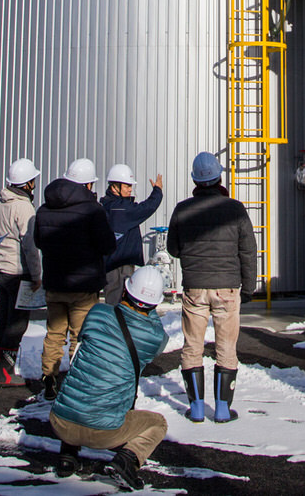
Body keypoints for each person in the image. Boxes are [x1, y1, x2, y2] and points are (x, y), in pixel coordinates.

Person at [48, 265, 170, 491]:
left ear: (125, 291)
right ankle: (127, 460)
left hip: (60, 421)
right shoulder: (154, 337)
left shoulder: (98, 312)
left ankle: (68, 455)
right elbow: (159, 338)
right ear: (155, 304)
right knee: (158, 424)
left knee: (84, 380)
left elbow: (85, 336)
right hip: (104, 433)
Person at [168, 150, 256, 423]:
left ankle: (195, 408)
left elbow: (173, 249)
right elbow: (248, 251)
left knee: (192, 346)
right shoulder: (235, 208)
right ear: (219, 177)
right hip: (227, 288)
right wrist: (249, 288)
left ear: (195, 180)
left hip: (195, 287)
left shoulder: (182, 210)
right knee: (226, 347)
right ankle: (221, 408)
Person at [33, 157, 117, 401]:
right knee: (80, 335)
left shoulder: (44, 209)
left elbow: (39, 241)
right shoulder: (93, 211)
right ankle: (75, 382)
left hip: (55, 282)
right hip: (83, 285)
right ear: (88, 185)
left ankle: (49, 379)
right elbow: (107, 245)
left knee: (54, 333)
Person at [0, 156, 42, 387]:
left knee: (2, 318)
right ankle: (6, 373)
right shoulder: (24, 207)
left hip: (0, 269)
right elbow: (30, 245)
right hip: (18, 272)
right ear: (27, 183)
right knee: (17, 323)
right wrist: (38, 274)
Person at [100, 163, 165, 304]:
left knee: (117, 300)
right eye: (127, 186)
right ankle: (117, 325)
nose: (131, 189)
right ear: (114, 187)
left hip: (113, 263)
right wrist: (157, 191)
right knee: (118, 302)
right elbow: (146, 207)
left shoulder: (107, 205)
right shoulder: (120, 209)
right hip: (118, 266)